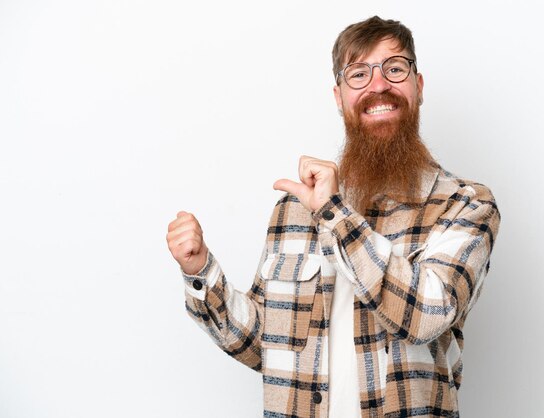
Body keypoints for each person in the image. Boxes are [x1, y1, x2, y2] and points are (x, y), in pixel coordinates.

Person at [166, 16, 501, 418]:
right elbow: (264, 348)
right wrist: (200, 271)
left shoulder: (465, 204)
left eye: (395, 69)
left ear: (419, 87)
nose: (378, 85)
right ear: (339, 97)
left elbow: (426, 316)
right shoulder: (293, 210)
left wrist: (333, 213)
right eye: (358, 74)